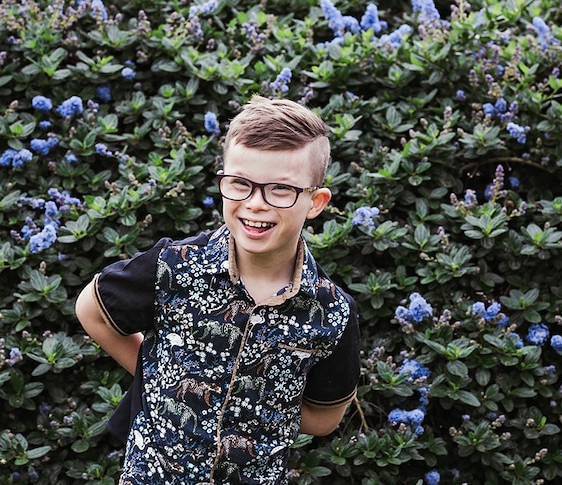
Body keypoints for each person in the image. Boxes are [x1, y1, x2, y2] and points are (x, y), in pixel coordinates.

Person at [75, 95, 361, 484]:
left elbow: (323, 418)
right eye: (240, 183)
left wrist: (257, 408)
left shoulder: (332, 313)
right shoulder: (174, 266)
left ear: (315, 202)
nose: (256, 204)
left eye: (280, 189)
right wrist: (160, 375)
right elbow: (92, 310)